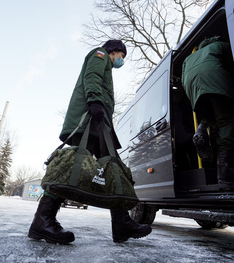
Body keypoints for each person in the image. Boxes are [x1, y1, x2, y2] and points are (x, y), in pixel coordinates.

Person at [28, 40, 152, 245]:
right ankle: (42, 220)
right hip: (89, 121)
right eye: (122, 56)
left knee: (114, 169)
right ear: (115, 51)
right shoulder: (100, 54)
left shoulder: (106, 63)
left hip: (98, 123)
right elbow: (92, 76)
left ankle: (121, 223)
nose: (122, 61)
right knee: (77, 168)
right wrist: (95, 101)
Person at [181, 36, 234, 184]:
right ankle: (225, 171)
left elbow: (182, 79)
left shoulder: (189, 58)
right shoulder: (221, 45)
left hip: (193, 90)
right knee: (226, 122)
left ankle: (201, 128)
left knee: (211, 117)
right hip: (214, 80)